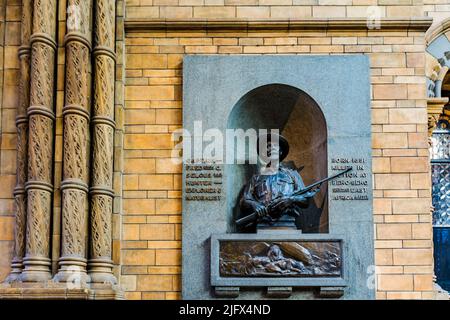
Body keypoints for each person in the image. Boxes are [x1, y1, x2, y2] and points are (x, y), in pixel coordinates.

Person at [239, 133, 319, 229]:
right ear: (264, 152)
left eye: (275, 146)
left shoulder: (292, 175)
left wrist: (290, 199)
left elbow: (305, 200)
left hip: (287, 223)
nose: (272, 148)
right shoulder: (256, 178)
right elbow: (244, 200)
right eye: (268, 146)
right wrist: (254, 204)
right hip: (262, 224)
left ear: (281, 152)